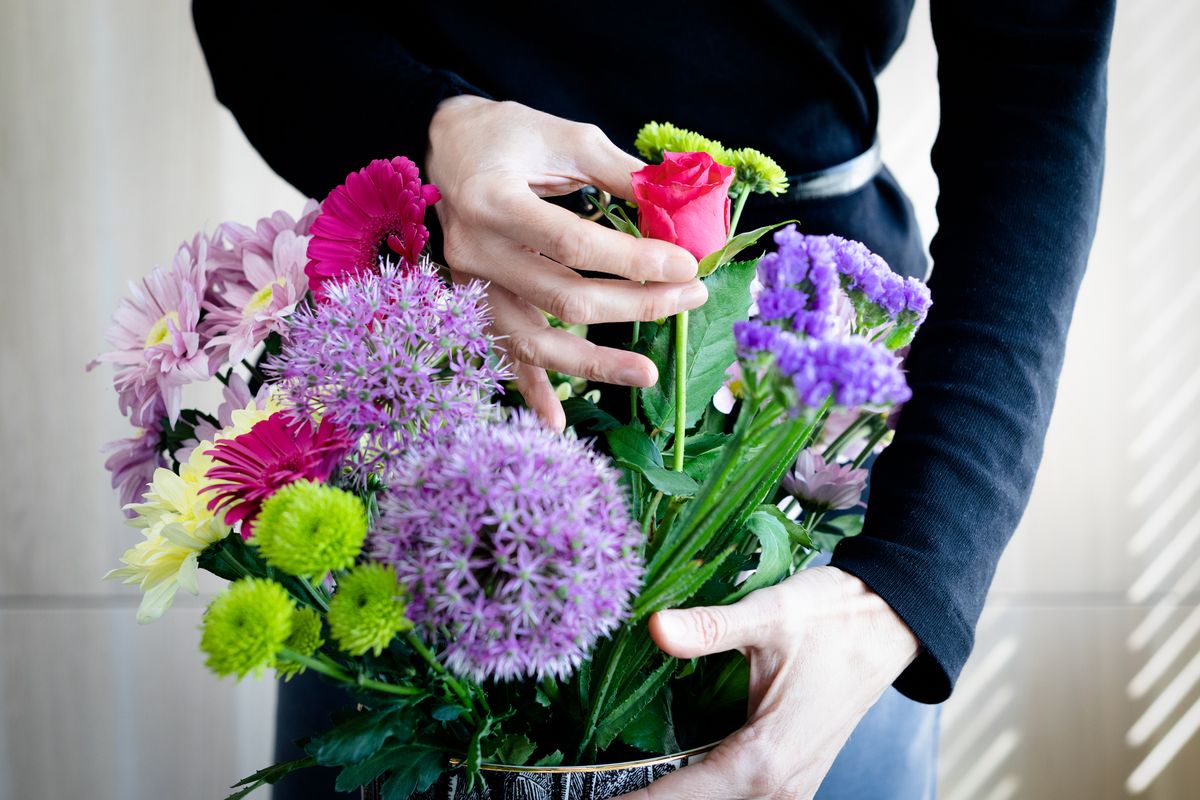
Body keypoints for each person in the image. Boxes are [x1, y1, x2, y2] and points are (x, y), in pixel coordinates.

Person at [192, 3, 1116, 798]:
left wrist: (907, 581)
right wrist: (430, 132)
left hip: (803, 417)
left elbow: (1036, 75)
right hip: (430, 365)